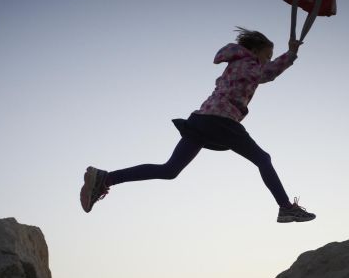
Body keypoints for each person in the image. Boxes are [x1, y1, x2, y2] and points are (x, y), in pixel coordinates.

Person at [80, 27, 315, 223]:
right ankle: (286, 208)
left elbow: (265, 74)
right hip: (221, 120)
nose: (268, 60)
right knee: (263, 159)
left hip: (202, 120)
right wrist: (291, 53)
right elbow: (269, 73)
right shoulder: (249, 61)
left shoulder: (240, 64)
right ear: (255, 51)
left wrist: (288, 55)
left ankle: (106, 178)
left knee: (169, 170)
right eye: (267, 55)